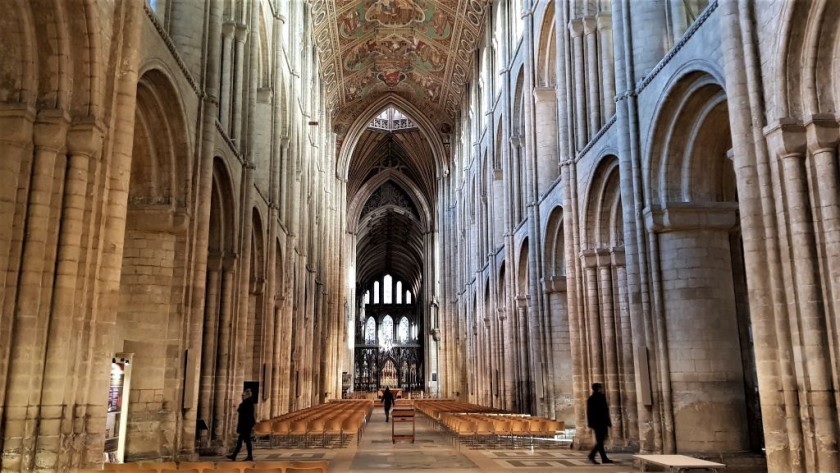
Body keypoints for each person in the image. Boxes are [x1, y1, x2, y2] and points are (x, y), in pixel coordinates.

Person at [586, 383, 614, 464]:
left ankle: (603, 458)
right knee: (600, 441)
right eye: (600, 388)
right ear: (598, 388)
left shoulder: (591, 398)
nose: (602, 389)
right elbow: (605, 411)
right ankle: (592, 455)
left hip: (595, 423)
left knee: (600, 441)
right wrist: (608, 422)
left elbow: (589, 412)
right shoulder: (601, 397)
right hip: (601, 422)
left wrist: (590, 423)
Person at [228, 388, 256, 461]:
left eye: (243, 395)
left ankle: (249, 456)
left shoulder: (247, 402)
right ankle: (234, 455)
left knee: (247, 441)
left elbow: (241, 411)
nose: (242, 397)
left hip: (246, 426)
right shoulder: (247, 402)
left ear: (247, 395)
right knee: (241, 441)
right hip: (245, 425)